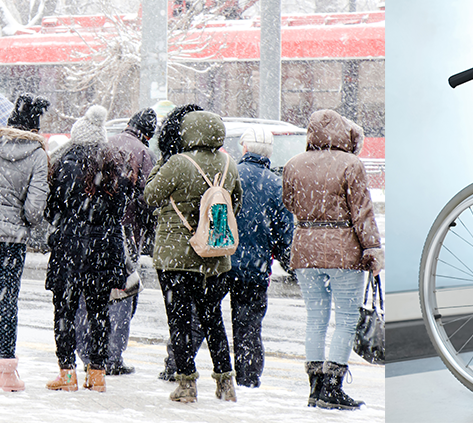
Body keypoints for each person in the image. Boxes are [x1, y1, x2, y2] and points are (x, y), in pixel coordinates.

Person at [282, 109, 384, 411]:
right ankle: (332, 386)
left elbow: (289, 202)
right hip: (342, 248)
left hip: (305, 247)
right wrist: (372, 248)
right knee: (347, 319)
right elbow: (362, 210)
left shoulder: (294, 164)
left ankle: (314, 387)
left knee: (316, 318)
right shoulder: (350, 164)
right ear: (342, 132)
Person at [144, 110, 242, 404]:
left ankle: (186, 384)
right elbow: (235, 204)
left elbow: (150, 195)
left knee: (180, 321)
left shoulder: (177, 163)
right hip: (214, 256)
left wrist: (161, 163)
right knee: (213, 320)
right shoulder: (229, 164)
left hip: (177, 257)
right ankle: (226, 382)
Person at [45, 105, 130, 393]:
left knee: (65, 311)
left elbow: (51, 209)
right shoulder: (113, 163)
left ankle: (67, 373)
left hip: (70, 246)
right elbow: (120, 210)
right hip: (104, 247)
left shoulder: (63, 163)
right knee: (99, 311)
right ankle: (97, 374)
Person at [75, 107, 157, 375]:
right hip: (126, 235)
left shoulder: (108, 143)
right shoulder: (145, 154)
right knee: (123, 294)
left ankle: (88, 352)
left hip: (95, 232)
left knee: (92, 294)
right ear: (148, 132)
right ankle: (112, 356)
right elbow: (149, 197)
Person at [228, 127, 294, 388]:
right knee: (248, 327)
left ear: (244, 148)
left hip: (222, 260)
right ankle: (247, 377)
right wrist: (288, 262)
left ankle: (180, 365)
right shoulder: (276, 184)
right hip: (254, 269)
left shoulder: (230, 176)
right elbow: (284, 233)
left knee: (202, 317)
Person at [0, 94, 49, 392]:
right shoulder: (37, 155)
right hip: (12, 241)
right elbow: (34, 210)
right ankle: (6, 372)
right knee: (6, 302)